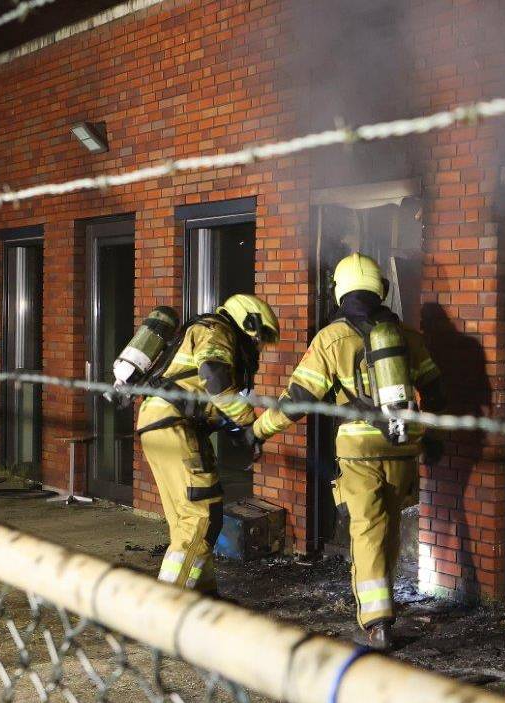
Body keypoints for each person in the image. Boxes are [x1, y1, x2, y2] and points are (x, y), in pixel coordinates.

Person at [252, 253, 444, 650]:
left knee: (367, 530)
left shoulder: (331, 338)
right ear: (380, 289)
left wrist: (259, 431)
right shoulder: (407, 336)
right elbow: (436, 391)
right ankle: (384, 607)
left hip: (359, 449)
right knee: (388, 527)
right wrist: (430, 437)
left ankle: (376, 623)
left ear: (339, 291)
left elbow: (298, 399)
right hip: (403, 447)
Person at [135, 294, 279, 594]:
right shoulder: (217, 331)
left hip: (160, 422)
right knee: (202, 517)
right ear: (246, 321)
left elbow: (209, 398)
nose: (257, 346)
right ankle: (168, 607)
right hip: (174, 424)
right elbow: (214, 377)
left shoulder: (205, 332)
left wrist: (240, 433)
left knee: (185, 520)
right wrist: (249, 424)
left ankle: (202, 596)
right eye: (257, 338)